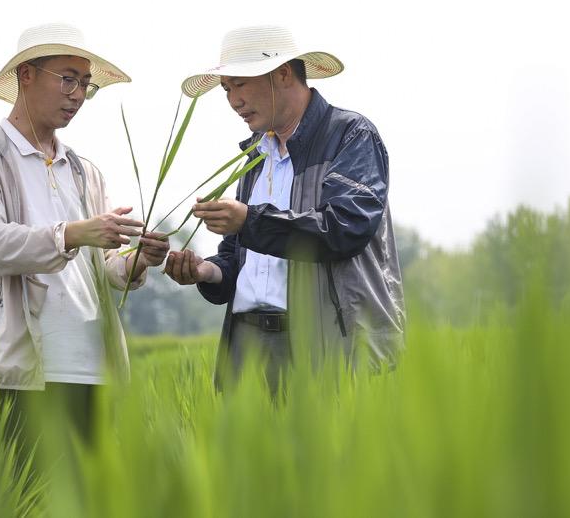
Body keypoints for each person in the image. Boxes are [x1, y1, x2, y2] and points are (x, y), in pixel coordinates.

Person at [0, 23, 169, 452]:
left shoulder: (83, 171)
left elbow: (104, 270)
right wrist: (72, 234)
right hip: (17, 375)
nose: (78, 94)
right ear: (26, 75)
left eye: (85, 84)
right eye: (67, 79)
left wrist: (138, 259)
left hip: (92, 371)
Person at [164, 25, 405, 391]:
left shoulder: (350, 135)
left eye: (240, 84)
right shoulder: (253, 157)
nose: (233, 101)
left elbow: (344, 229)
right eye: (227, 89)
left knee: (325, 449)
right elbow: (239, 255)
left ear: (282, 73)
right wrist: (206, 271)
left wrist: (248, 220)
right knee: (245, 450)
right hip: (248, 344)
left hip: (326, 342)